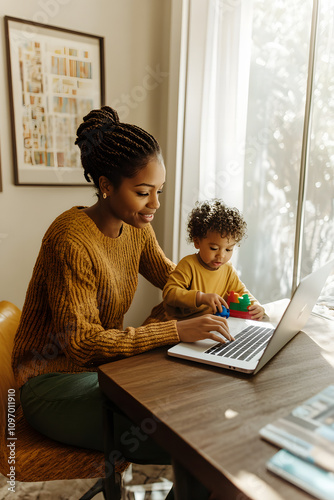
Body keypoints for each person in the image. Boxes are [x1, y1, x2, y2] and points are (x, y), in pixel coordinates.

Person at [12, 106, 232, 499]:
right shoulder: (70, 240)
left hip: (104, 373)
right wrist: (177, 328)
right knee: (201, 442)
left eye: (158, 192)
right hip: (50, 384)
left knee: (204, 411)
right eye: (143, 193)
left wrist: (224, 297)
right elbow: (82, 344)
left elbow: (175, 282)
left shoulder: (134, 227)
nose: (155, 205)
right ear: (106, 186)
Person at [163, 199, 265, 321]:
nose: (221, 255)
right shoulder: (189, 265)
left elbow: (242, 292)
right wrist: (200, 297)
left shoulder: (227, 269)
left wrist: (256, 305)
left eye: (228, 249)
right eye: (214, 248)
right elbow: (170, 293)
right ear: (197, 242)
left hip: (211, 325)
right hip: (183, 326)